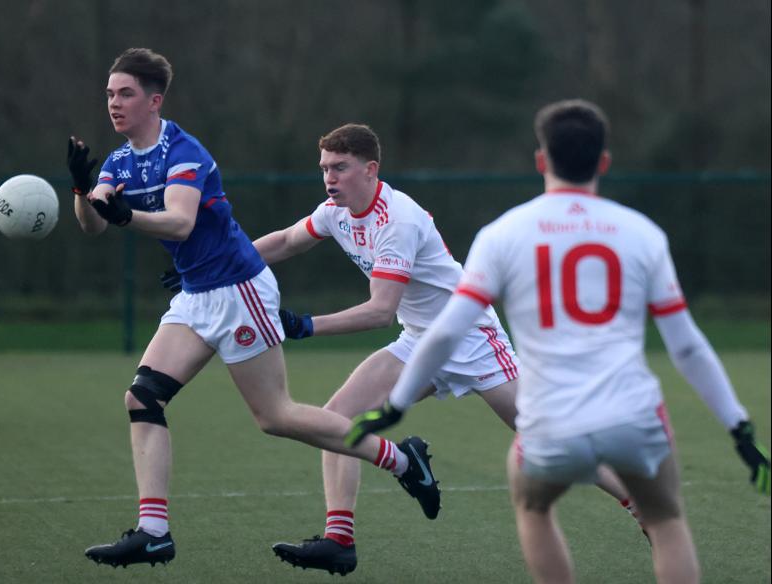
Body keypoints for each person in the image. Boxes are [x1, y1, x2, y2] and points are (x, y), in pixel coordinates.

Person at [348, 100, 771, 584]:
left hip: (551, 419)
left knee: (534, 507)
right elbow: (688, 347)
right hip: (632, 415)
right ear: (604, 162)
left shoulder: (503, 233)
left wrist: (396, 406)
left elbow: (445, 331)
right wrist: (739, 428)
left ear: (540, 160)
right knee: (667, 520)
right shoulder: (642, 234)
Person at [66, 48, 440, 572]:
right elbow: (94, 224)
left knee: (275, 416)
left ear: (154, 101)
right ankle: (153, 533)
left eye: (125, 93)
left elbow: (179, 222)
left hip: (238, 289)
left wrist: (126, 215)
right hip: (196, 293)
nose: (114, 103)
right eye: (110, 94)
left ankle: (402, 461)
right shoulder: (119, 161)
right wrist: (83, 192)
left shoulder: (184, 151)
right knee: (142, 397)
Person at [253, 123, 643, 577]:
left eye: (340, 167)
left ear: (370, 169)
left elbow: (380, 311)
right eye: (324, 168)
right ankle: (339, 541)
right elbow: (286, 240)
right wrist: (228, 264)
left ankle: (641, 505)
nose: (329, 178)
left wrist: (303, 326)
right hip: (419, 341)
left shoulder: (397, 220)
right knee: (337, 419)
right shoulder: (334, 212)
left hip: (469, 337)